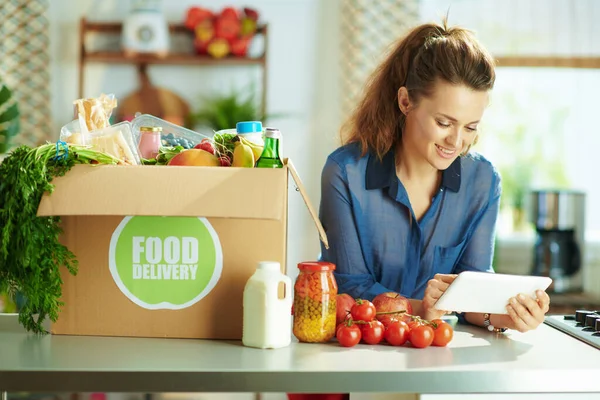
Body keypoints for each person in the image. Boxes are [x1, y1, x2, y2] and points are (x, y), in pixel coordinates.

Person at [319, 20, 551, 333]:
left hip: (436, 356)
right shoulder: (345, 172)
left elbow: (473, 289)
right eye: (444, 122)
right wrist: (421, 309)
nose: (456, 142)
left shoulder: (482, 181)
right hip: (355, 349)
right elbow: (350, 288)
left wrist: (503, 316)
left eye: (470, 127)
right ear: (405, 102)